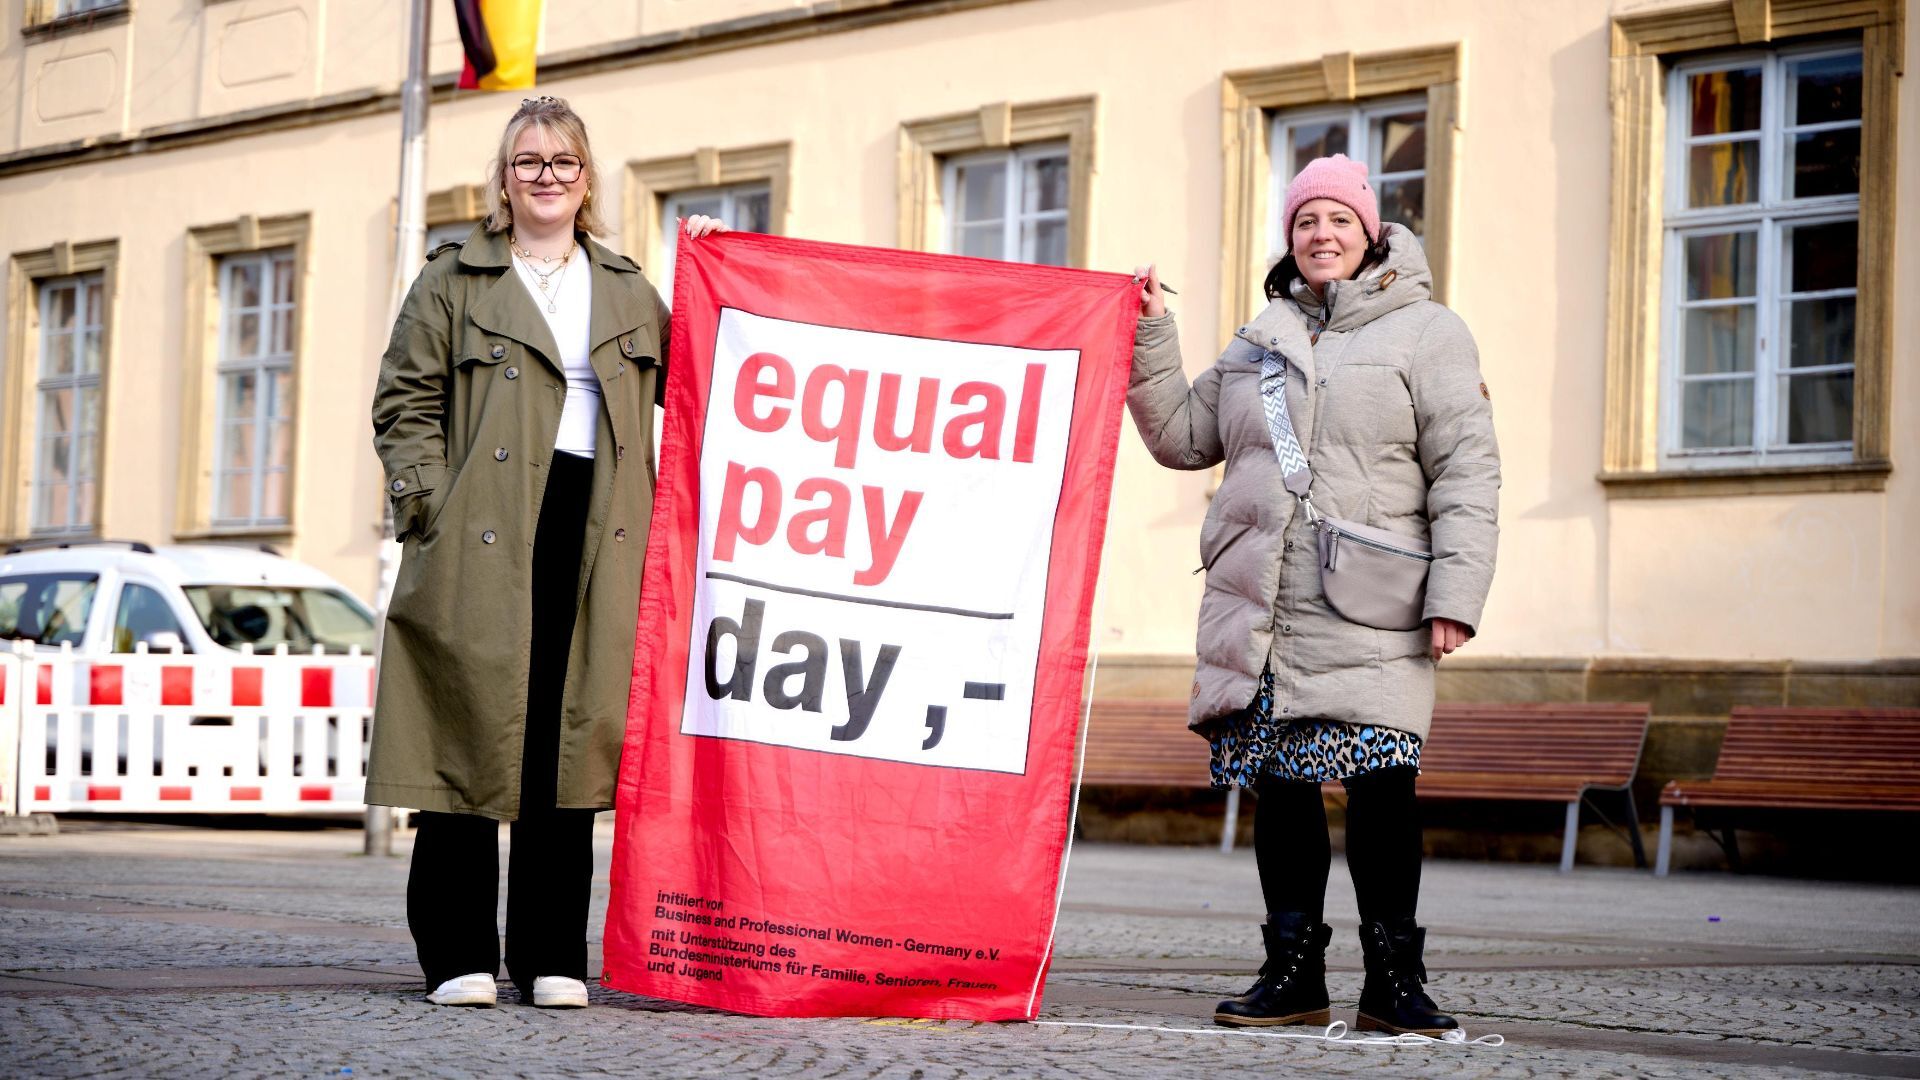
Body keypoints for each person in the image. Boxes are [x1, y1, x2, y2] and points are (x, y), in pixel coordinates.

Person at [366, 96, 727, 1009]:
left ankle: (551, 952)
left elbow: (709, 371)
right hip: (478, 527)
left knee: (566, 739)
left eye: (563, 162)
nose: (546, 177)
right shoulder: (454, 280)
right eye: (528, 161)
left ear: (586, 178)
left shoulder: (624, 285)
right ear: (504, 176)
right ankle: (457, 953)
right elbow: (405, 402)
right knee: (468, 729)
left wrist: (719, 265)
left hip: (595, 523)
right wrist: (427, 507)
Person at [1127, 153, 1499, 1034]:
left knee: (1382, 784)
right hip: (1264, 606)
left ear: (1371, 231)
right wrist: (1152, 333)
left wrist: (1457, 591)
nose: (1321, 235)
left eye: (1337, 219)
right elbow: (1183, 438)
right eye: (1304, 222)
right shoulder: (1261, 339)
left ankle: (1393, 981)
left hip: (1373, 603)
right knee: (1282, 788)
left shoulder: (1428, 332)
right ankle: (1292, 974)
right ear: (1288, 239)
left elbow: (1467, 471)